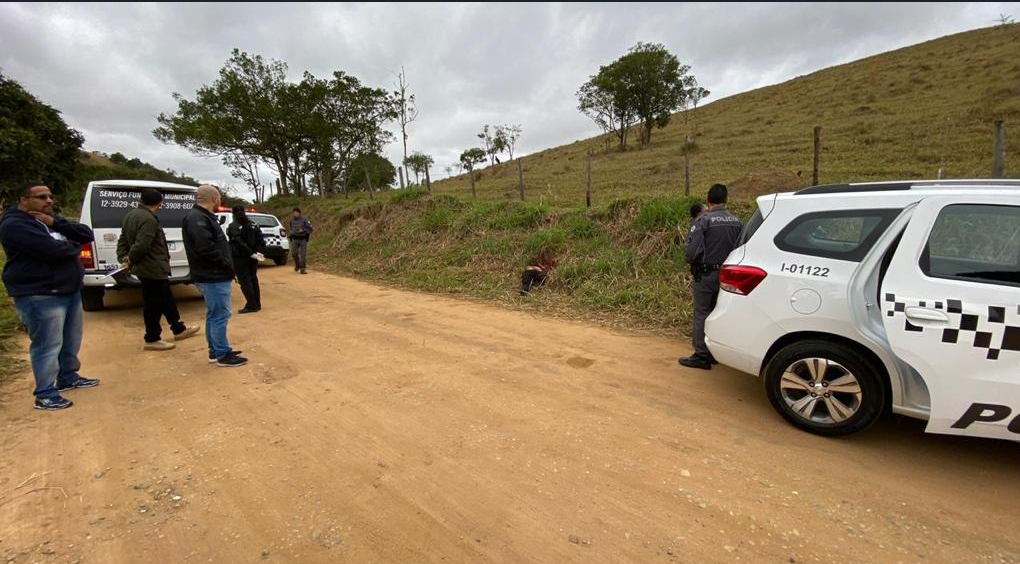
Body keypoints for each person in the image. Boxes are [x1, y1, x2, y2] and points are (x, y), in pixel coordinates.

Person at [0, 182, 100, 410]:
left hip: (68, 289)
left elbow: (85, 234)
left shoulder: (49, 220)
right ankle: (45, 393)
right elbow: (54, 250)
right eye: (41, 197)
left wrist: (56, 224)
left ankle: (67, 376)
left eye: (49, 197)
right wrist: (72, 246)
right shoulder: (14, 224)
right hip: (40, 293)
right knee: (47, 343)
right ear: (24, 200)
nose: (48, 201)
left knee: (70, 339)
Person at [117, 188, 200, 350]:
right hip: (152, 268)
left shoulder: (130, 215)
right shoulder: (148, 219)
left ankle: (178, 328)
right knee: (153, 304)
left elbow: (123, 239)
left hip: (150, 268)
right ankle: (152, 338)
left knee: (166, 298)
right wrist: (130, 260)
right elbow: (142, 244)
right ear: (159, 203)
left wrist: (123, 257)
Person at [679, 184, 743, 370]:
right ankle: (716, 352)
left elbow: (691, 252)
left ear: (708, 199)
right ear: (726, 199)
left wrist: (692, 263)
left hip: (705, 275)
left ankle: (701, 355)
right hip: (728, 275)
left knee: (701, 313)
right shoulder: (737, 221)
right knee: (718, 312)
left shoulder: (704, 221)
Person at [181, 185, 247, 367]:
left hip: (211, 274)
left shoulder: (201, 217)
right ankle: (222, 355)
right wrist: (225, 263)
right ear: (214, 198)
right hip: (212, 275)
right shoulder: (198, 219)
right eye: (219, 198)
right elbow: (205, 248)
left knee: (214, 314)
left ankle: (216, 350)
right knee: (220, 315)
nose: (220, 201)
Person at [226, 205, 266, 314]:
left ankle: (252, 305)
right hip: (253, 257)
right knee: (253, 279)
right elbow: (261, 240)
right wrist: (258, 252)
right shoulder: (253, 224)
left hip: (240, 257)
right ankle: (256, 303)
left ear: (233, 213)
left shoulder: (233, 226)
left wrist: (252, 253)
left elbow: (239, 242)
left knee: (245, 281)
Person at [288, 207, 313, 274]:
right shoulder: (291, 220)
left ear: (299, 213)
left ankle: (303, 268)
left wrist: (303, 230)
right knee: (294, 253)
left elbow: (310, 229)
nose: (295, 214)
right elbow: (291, 227)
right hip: (294, 239)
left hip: (303, 239)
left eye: (296, 213)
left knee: (303, 255)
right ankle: (297, 264)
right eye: (294, 213)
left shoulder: (304, 220)